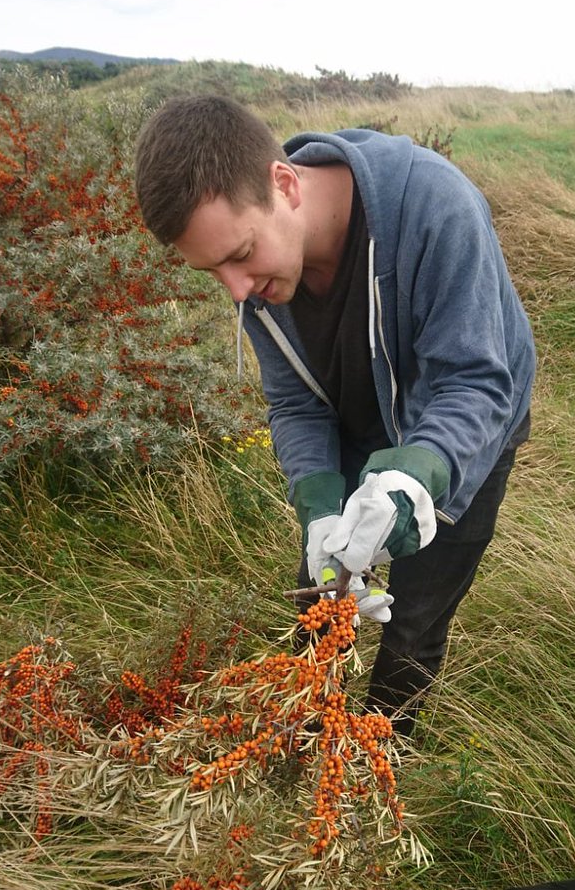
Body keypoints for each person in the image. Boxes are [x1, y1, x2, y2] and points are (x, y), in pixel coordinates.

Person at [134, 95, 535, 736]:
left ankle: (376, 766)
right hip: (356, 420)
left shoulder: (435, 208)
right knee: (322, 601)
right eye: (213, 272)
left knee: (413, 620)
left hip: (465, 427)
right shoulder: (262, 277)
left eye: (240, 255)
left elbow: (476, 382)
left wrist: (414, 477)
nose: (236, 291)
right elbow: (294, 400)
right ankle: (303, 742)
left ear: (285, 185)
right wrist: (318, 501)